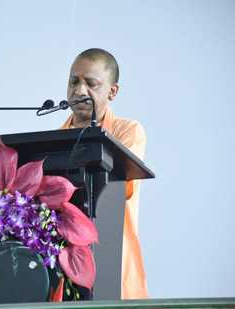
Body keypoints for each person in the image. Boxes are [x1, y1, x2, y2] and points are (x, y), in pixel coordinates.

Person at [60, 48, 148, 299]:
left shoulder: (127, 132)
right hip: (61, 262)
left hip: (111, 257)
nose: (79, 91)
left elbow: (118, 187)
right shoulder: (53, 140)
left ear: (112, 91)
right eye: (73, 81)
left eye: (91, 83)